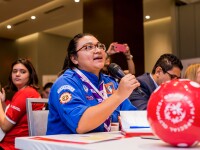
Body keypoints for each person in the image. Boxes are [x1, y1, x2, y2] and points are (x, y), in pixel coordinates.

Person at [46, 33, 140, 135]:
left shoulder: (110, 82)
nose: (98, 50)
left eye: (100, 46)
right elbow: (81, 125)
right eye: (88, 47)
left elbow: (132, 117)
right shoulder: (65, 83)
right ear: (74, 58)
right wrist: (118, 96)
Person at [0, 58, 43, 149]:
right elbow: (9, 116)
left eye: (23, 72)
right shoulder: (25, 92)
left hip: (12, 145)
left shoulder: (26, 93)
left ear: (30, 75)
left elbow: (5, 126)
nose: (17, 74)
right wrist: (3, 102)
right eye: (14, 71)